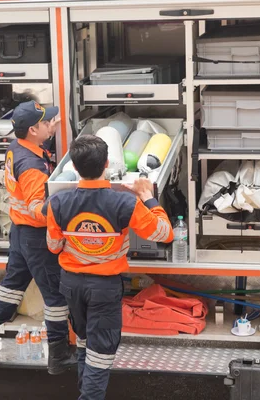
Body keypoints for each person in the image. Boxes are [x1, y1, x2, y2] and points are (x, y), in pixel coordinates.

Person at [44, 135, 174, 399]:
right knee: (101, 352)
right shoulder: (125, 203)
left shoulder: (58, 203)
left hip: (71, 284)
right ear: (106, 164)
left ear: (75, 167)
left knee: (84, 343)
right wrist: (148, 197)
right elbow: (165, 234)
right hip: (104, 288)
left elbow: (53, 246)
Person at [0, 100, 76, 375]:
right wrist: (67, 206)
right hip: (36, 236)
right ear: (32, 129)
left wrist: (49, 133)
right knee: (55, 295)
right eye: (47, 123)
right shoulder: (32, 166)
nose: (51, 125)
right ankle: (58, 355)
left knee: (12, 286)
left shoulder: (17, 147)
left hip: (19, 234)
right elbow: (37, 209)